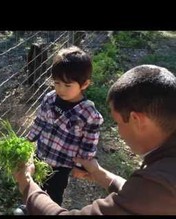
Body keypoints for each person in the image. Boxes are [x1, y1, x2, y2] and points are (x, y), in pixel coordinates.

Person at [13, 64, 176, 215]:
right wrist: (100, 174)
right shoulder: (162, 175)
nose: (118, 131)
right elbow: (138, 195)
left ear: (137, 120)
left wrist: (27, 184)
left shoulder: (159, 183)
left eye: (118, 122)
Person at [24, 45, 104, 206]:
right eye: (57, 83)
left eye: (68, 85)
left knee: (54, 193)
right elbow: (39, 122)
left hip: (62, 165)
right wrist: (27, 141)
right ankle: (31, 207)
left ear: (85, 84)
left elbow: (89, 144)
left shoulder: (89, 114)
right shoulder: (49, 98)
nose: (61, 89)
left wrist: (81, 166)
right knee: (35, 185)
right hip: (41, 155)